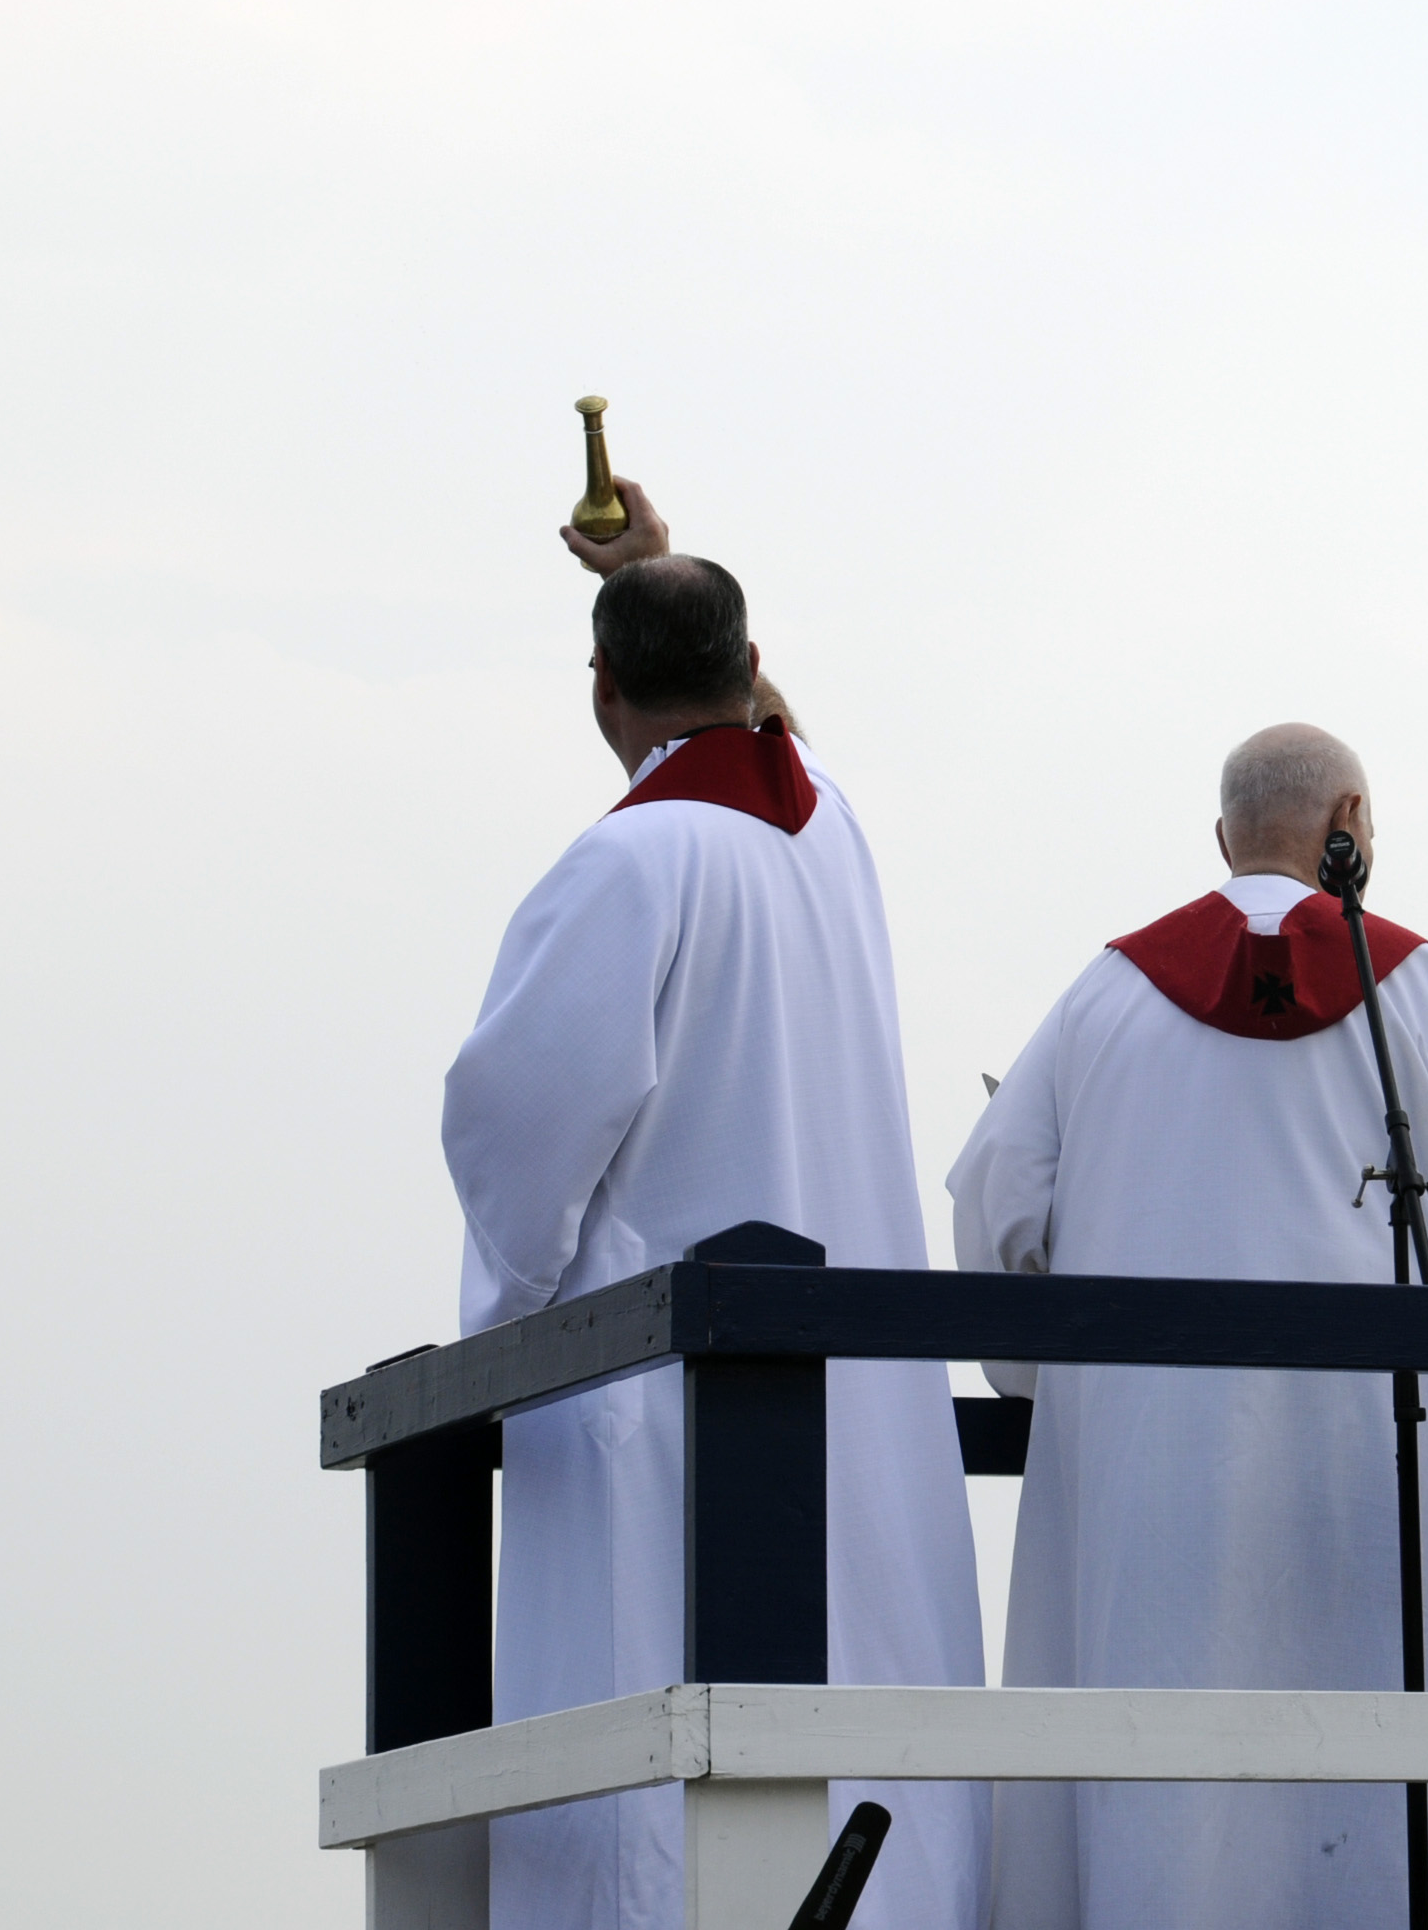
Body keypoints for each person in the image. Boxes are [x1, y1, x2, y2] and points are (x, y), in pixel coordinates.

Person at [948, 724, 1428, 1930]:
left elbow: (1001, 1226)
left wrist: (1067, 1390)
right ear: (1349, 820)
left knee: (1157, 1759)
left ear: (1222, 837)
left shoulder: (1100, 1001)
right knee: (1398, 1746)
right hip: (1379, 1460)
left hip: (1151, 1469)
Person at [442, 547, 990, 1930]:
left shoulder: (626, 861)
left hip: (669, 1397)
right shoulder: (833, 833)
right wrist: (657, 561)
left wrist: (500, 1327)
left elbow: (520, 1125)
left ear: (602, 686)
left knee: (658, 1757)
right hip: (859, 1381)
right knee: (857, 1709)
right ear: (749, 667)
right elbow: (775, 726)